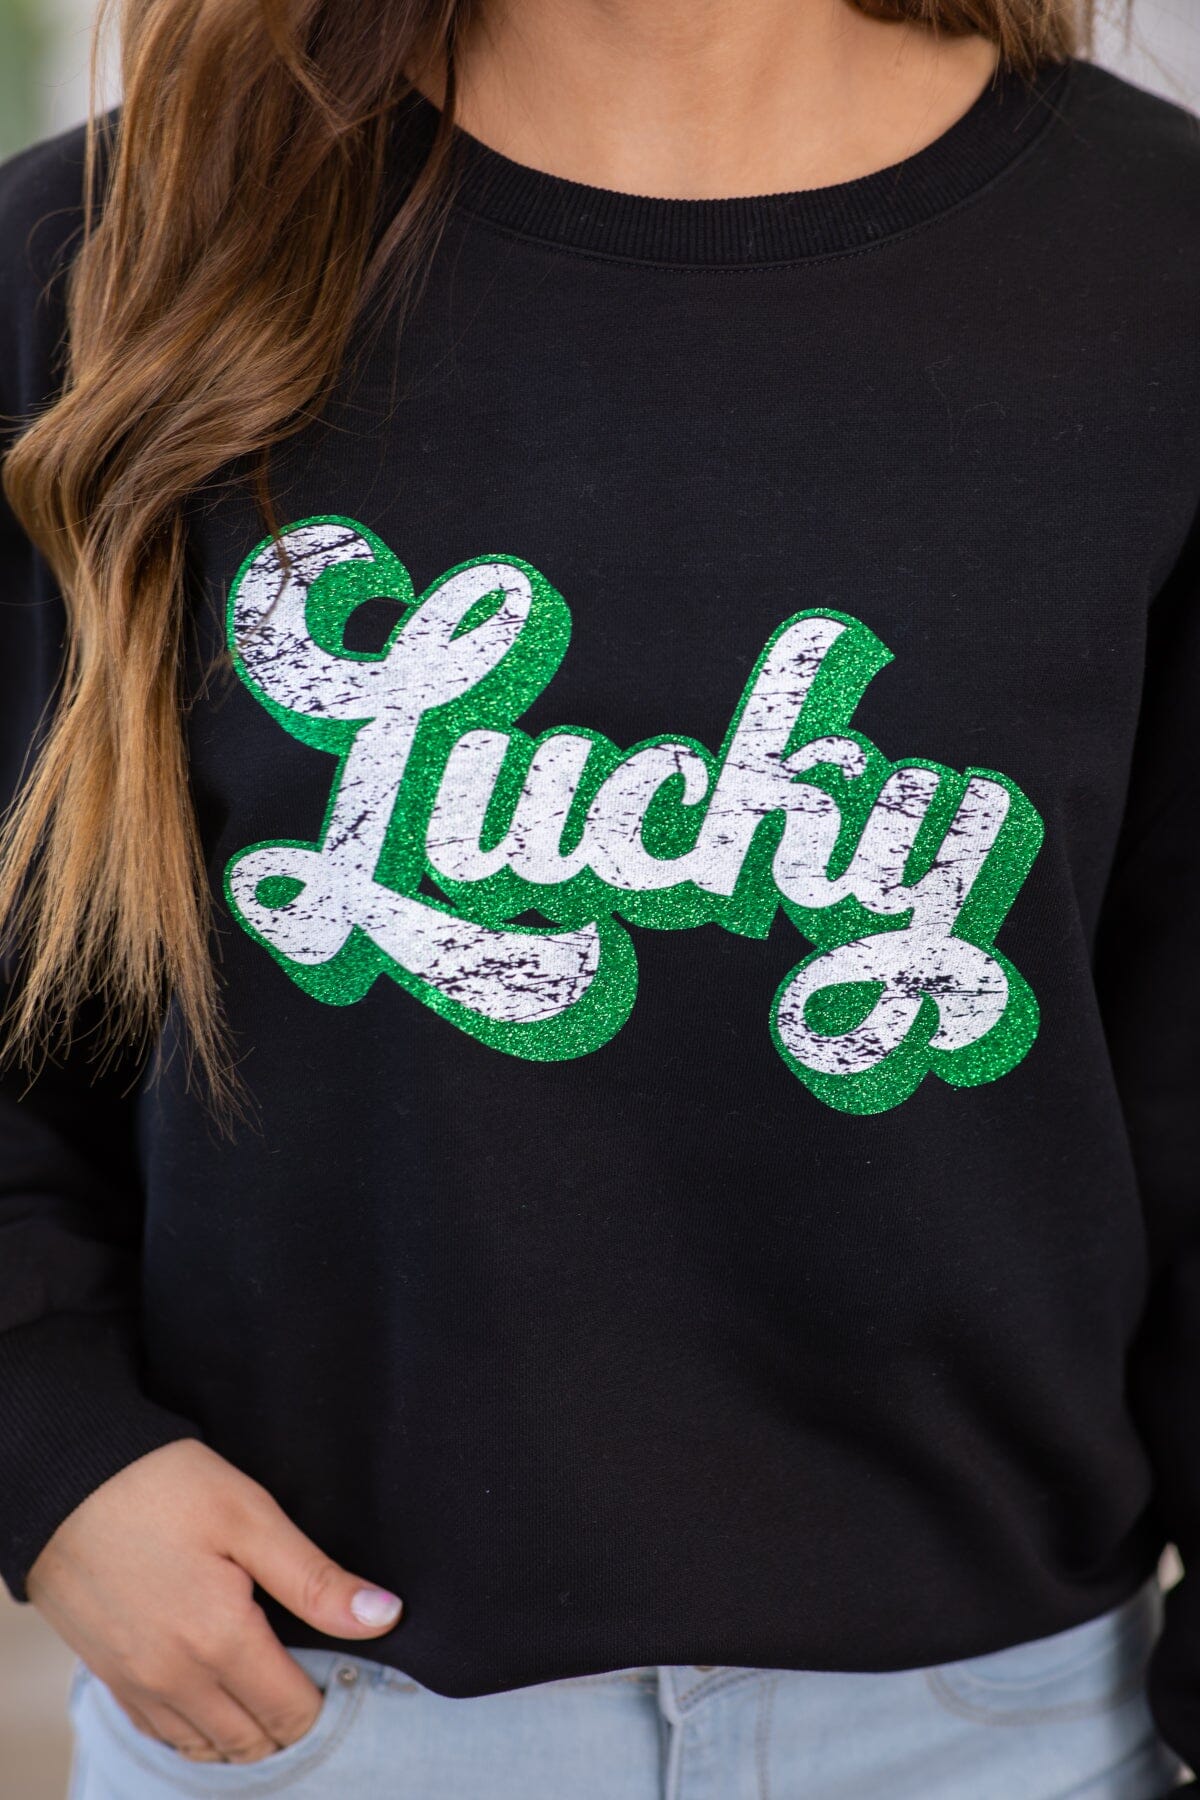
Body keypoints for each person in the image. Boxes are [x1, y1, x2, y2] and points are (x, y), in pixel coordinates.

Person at [0, 0, 1197, 1793]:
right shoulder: (96, 255)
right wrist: (51, 1446)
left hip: (999, 1726)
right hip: (309, 1712)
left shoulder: (1158, 270)